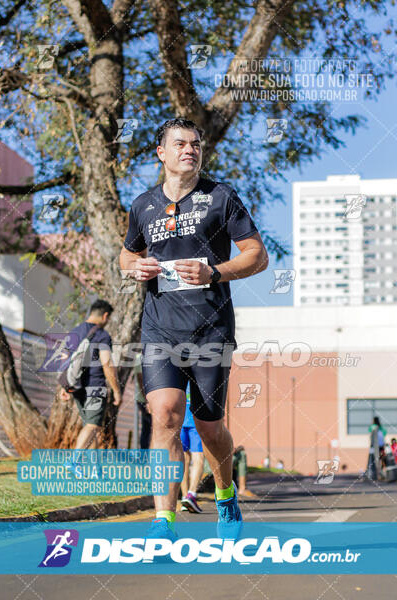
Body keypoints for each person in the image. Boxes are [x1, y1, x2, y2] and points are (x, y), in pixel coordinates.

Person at [119, 117, 268, 540]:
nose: (190, 150)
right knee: (164, 414)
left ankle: (225, 496)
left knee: (209, 428)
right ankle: (163, 521)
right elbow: (126, 257)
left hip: (210, 330)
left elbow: (258, 255)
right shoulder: (143, 205)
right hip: (160, 328)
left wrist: (214, 272)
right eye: (180, 144)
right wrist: (136, 267)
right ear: (161, 153)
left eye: (196, 144)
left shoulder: (221, 197)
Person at [59, 299, 122, 450]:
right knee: (93, 426)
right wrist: (116, 390)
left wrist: (63, 386)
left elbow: (64, 360)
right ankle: (74, 461)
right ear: (105, 316)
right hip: (95, 387)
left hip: (77, 387)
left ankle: (95, 470)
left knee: (92, 427)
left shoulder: (74, 331)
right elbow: (107, 363)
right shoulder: (102, 335)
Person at [180, 387, 205, 513]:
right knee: (194, 458)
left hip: (190, 421)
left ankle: (187, 497)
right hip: (187, 421)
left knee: (187, 458)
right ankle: (189, 496)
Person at [134, 353, 152, 449]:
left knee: (148, 428)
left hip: (148, 399)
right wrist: (147, 401)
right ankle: (144, 457)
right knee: (148, 428)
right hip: (145, 399)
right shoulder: (140, 358)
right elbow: (140, 379)